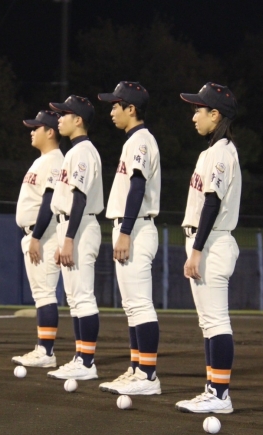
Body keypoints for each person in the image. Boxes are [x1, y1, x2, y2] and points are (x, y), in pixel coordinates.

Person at [175, 82, 241, 414]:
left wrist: (197, 250)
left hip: (212, 243)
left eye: (198, 110)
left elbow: (212, 203)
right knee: (208, 322)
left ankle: (220, 394)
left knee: (216, 321)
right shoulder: (211, 152)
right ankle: (213, 389)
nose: (193, 117)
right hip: (206, 241)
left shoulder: (221, 152)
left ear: (215, 115)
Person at [98, 82, 161, 395]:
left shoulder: (141, 140)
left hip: (134, 228)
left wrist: (125, 232)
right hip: (131, 227)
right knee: (132, 306)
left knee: (140, 305)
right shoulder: (135, 140)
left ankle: (147, 375)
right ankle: (137, 368)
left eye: (116, 105)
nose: (111, 111)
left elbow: (137, 188)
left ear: (131, 108)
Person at [46, 95, 103, 380]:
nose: (59, 119)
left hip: (78, 226)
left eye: (64, 114)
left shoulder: (82, 151)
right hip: (71, 226)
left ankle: (87, 362)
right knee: (75, 298)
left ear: (78, 120)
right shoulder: (76, 151)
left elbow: (79, 199)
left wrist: (68, 238)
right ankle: (81, 357)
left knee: (83, 297)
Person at [12, 110, 64, 368]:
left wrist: (37, 235)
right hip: (36, 233)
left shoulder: (54, 161)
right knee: (41, 293)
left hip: (44, 233)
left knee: (45, 293)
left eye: (36, 128)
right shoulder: (42, 161)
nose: (32, 132)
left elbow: (49, 201)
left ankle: (46, 351)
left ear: (50, 132)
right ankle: (43, 349)